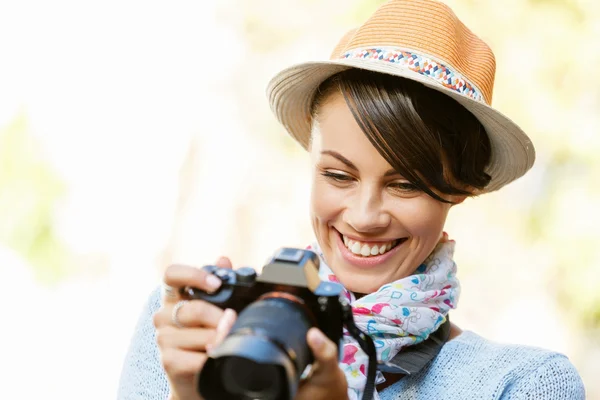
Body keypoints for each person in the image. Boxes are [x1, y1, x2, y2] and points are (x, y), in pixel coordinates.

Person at [117, 0, 586, 399]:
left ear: (458, 190)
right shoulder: (189, 331)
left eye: (405, 185)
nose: (363, 218)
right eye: (339, 175)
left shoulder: (519, 384)